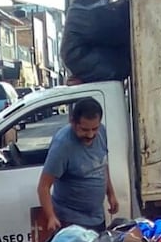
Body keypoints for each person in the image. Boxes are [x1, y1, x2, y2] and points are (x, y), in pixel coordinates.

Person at [37, 98, 118, 233]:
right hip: (71, 222)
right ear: (73, 122)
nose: (91, 134)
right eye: (85, 130)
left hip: (97, 218)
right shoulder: (63, 145)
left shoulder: (102, 133)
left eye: (94, 128)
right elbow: (43, 187)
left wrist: (111, 194)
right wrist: (51, 216)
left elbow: (102, 164)